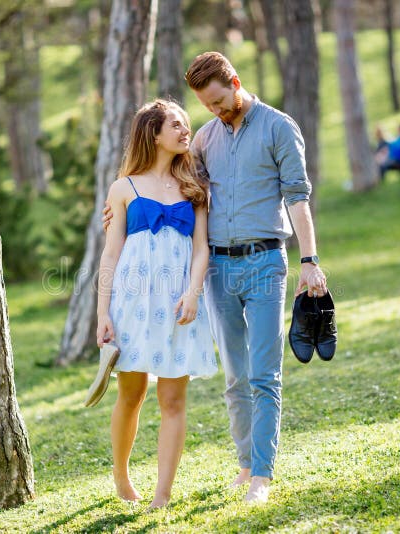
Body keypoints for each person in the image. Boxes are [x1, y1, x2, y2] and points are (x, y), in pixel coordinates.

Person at [104, 52, 327, 504]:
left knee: (264, 375)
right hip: (219, 273)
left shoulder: (279, 127)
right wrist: (120, 206)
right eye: (206, 106)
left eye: (220, 101)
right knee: (234, 378)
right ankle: (245, 465)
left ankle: (261, 476)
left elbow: (298, 198)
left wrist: (310, 259)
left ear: (236, 82)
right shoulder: (204, 140)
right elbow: (167, 185)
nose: (214, 112)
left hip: (265, 262)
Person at [96, 99, 218, 509]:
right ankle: (121, 476)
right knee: (131, 394)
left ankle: (162, 495)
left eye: (186, 124)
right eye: (176, 125)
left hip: (179, 299)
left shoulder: (193, 187)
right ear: (153, 133)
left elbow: (201, 249)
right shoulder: (124, 188)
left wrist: (193, 291)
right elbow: (110, 255)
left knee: (173, 400)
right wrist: (102, 313)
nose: (185, 130)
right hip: (132, 302)